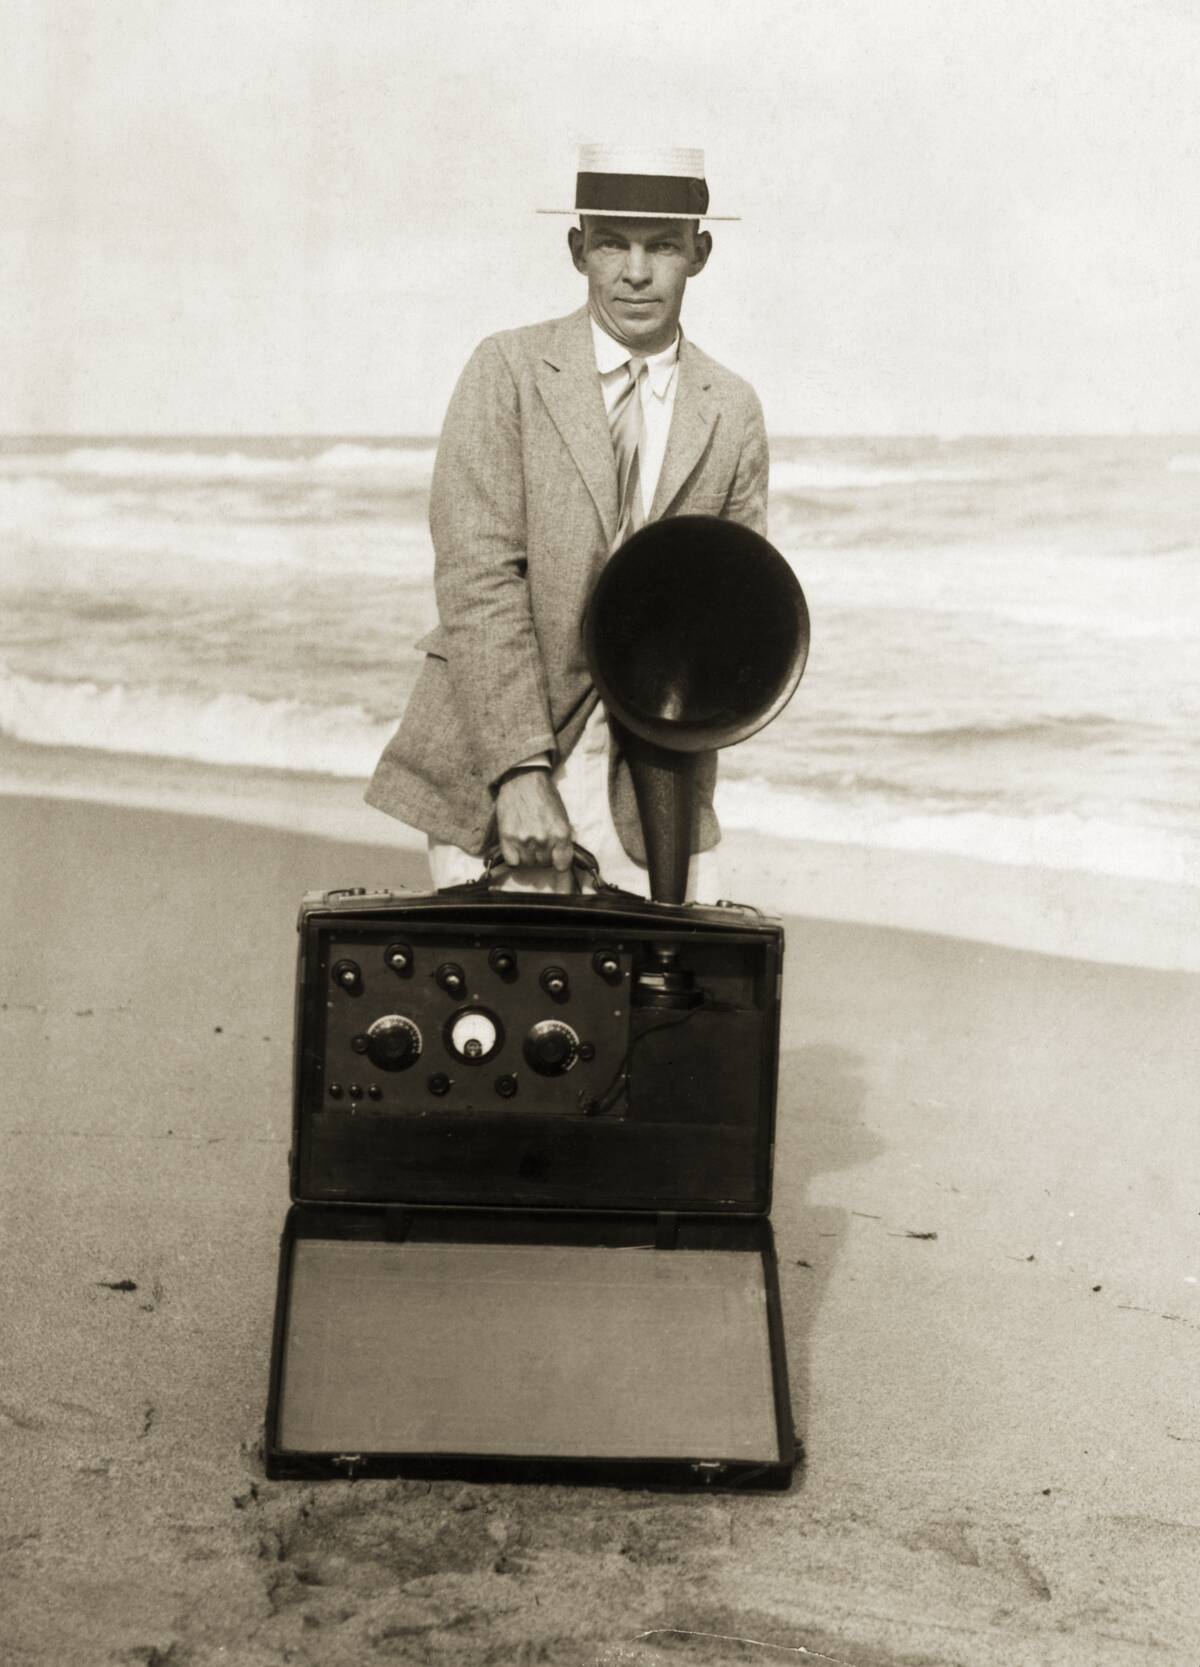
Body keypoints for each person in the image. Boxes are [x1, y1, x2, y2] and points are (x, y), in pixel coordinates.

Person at [365, 145, 768, 895]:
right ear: (578, 248)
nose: (636, 272)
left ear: (700, 253)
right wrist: (519, 773)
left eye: (663, 246)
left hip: (655, 802)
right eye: (613, 242)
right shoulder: (507, 371)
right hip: (494, 773)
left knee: (675, 1006)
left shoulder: (733, 409)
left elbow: (736, 619)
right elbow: (477, 577)